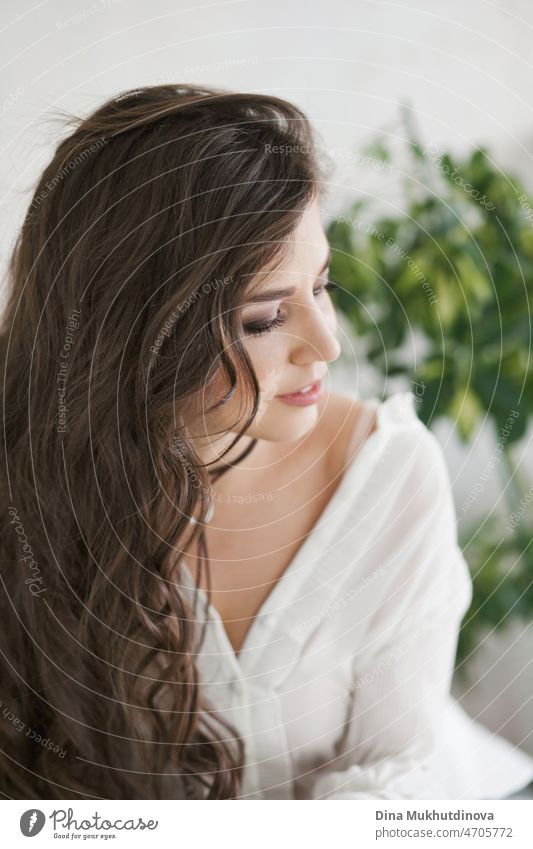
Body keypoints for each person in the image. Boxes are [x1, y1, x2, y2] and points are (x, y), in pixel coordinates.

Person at [1, 83, 532, 800]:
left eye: (322, 285)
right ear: (131, 337)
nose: (326, 341)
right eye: (261, 319)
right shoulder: (28, 491)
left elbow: (395, 767)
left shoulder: (388, 475)